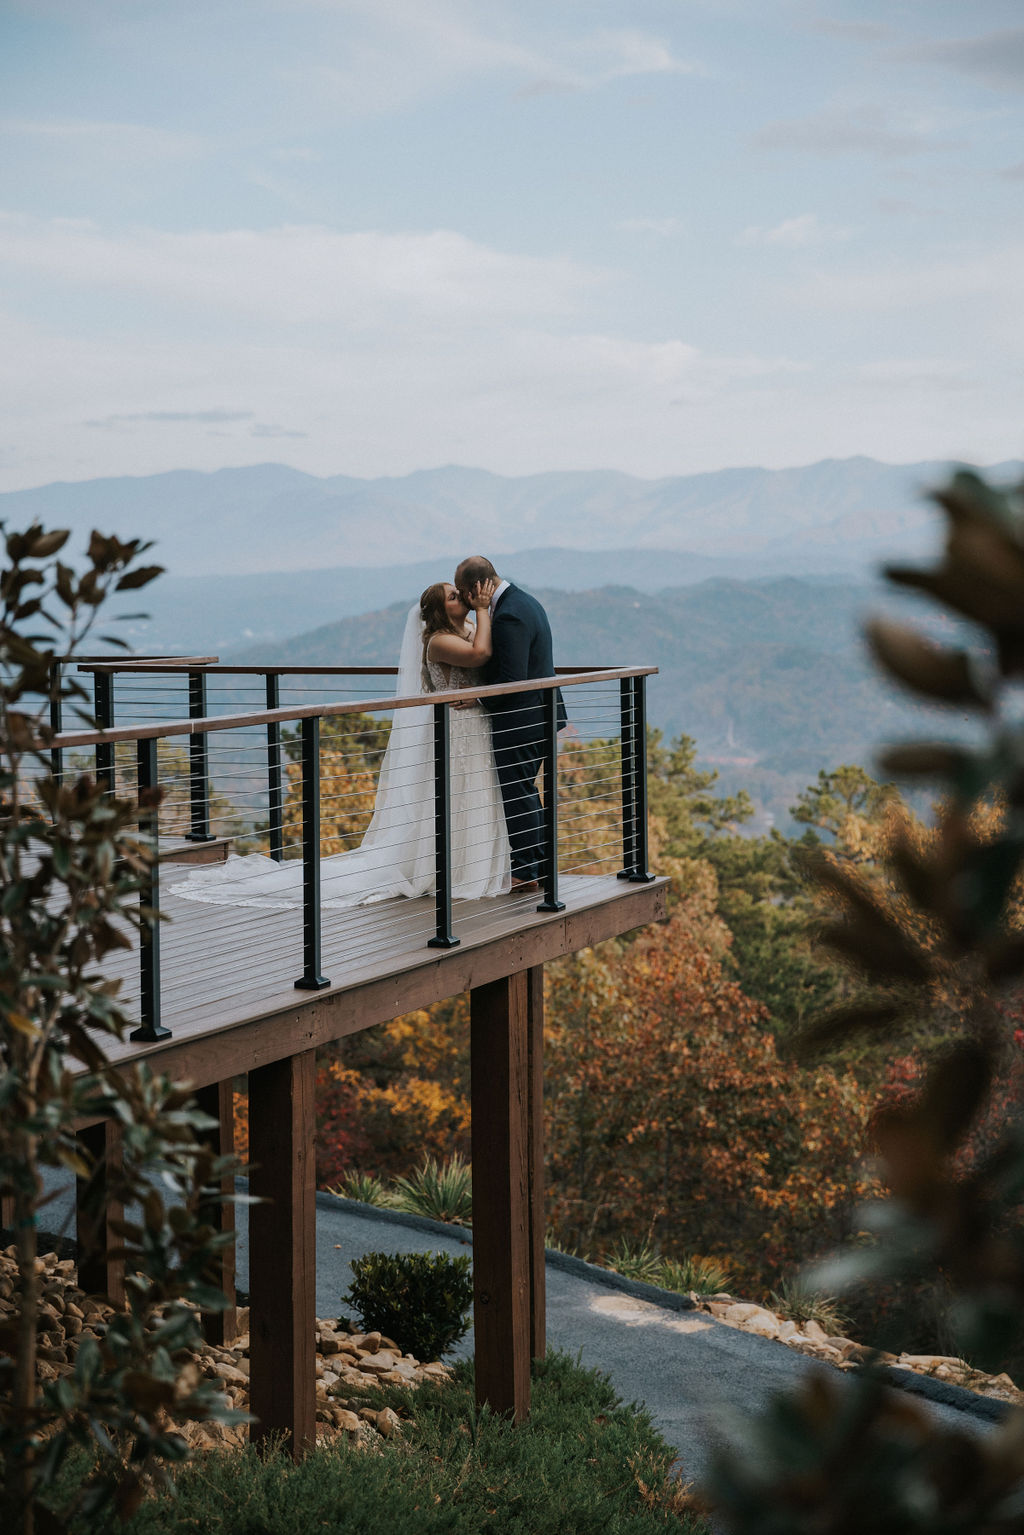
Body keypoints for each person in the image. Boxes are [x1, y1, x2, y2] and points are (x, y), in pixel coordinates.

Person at [169, 580, 511, 911]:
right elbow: (480, 655)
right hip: (452, 728)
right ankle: (446, 871)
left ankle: (472, 868)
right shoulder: (438, 640)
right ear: (439, 611)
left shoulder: (467, 628)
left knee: (474, 794)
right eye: (452, 596)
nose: (460, 597)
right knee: (454, 796)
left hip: (475, 725)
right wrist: (484, 608)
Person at [454, 556, 566, 889]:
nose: (463, 602)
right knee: (527, 793)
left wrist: (478, 698)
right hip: (539, 713)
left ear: (477, 588)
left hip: (521, 719)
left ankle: (526, 872)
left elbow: (512, 678)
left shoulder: (510, 615)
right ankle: (539, 866)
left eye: (463, 593)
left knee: (519, 794)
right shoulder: (523, 600)